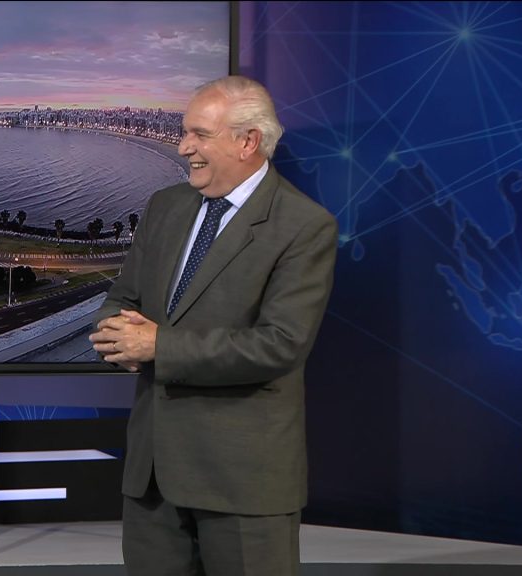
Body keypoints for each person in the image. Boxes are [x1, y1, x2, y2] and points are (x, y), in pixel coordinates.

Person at [89, 75, 338, 576]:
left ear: (248, 142)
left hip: (241, 482)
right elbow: (122, 299)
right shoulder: (165, 206)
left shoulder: (303, 226)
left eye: (199, 135)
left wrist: (159, 346)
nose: (184, 147)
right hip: (152, 479)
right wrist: (116, 336)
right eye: (185, 132)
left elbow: (280, 345)